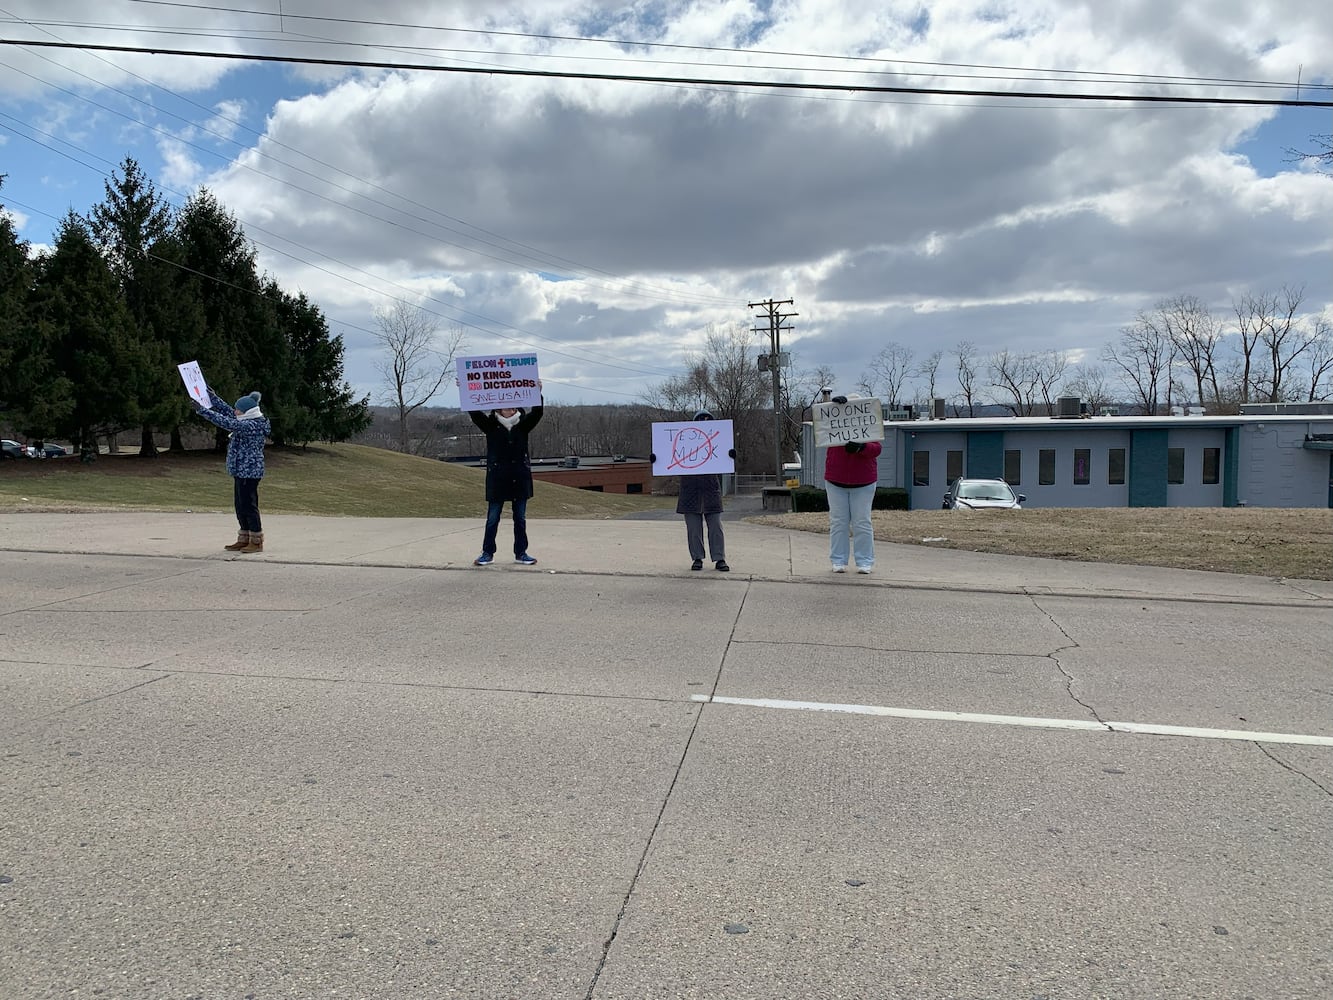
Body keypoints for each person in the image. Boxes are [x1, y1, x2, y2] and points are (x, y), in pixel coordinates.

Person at [468, 385, 544, 566]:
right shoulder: (491, 426)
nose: (509, 411)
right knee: (493, 518)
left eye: (512, 407)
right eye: (506, 407)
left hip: (520, 478)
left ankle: (521, 552)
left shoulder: (523, 425)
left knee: (520, 518)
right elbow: (474, 413)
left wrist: (537, 392)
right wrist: (466, 390)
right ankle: (487, 553)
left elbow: (538, 412)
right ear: (498, 407)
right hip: (498, 479)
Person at [653, 410, 733, 572]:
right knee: (693, 529)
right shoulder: (685, 441)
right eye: (701, 421)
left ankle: (719, 558)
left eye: (707, 421)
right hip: (690, 491)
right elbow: (667, 456)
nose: (704, 423)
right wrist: (656, 459)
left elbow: (724, 458)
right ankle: (697, 557)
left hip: (711, 490)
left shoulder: (718, 440)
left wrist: (730, 456)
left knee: (716, 527)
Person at [195, 388, 271, 553]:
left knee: (249, 505)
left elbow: (228, 422)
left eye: (238, 409)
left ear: (247, 412)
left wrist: (202, 410)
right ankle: (244, 537)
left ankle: (256, 540)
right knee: (239, 505)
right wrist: (213, 398)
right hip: (240, 470)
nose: (235, 411)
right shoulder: (246, 418)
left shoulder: (253, 425)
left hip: (249, 471)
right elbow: (228, 412)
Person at [823, 393, 882, 574]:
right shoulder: (835, 423)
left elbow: (877, 448)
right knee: (838, 522)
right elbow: (823, 427)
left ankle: (865, 561)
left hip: (863, 481)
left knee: (862, 522)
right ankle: (838, 560)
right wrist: (831, 406)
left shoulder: (871, 423)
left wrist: (862, 448)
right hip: (835, 479)